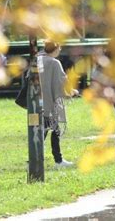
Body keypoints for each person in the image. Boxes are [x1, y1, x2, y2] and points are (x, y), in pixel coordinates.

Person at [38, 40, 78, 168]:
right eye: (59, 49)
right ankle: (58, 160)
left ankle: (36, 158)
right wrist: (72, 92)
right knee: (54, 130)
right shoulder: (54, 63)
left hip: (38, 102)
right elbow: (63, 81)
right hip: (52, 102)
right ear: (55, 50)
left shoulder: (38, 60)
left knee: (41, 131)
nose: (60, 51)